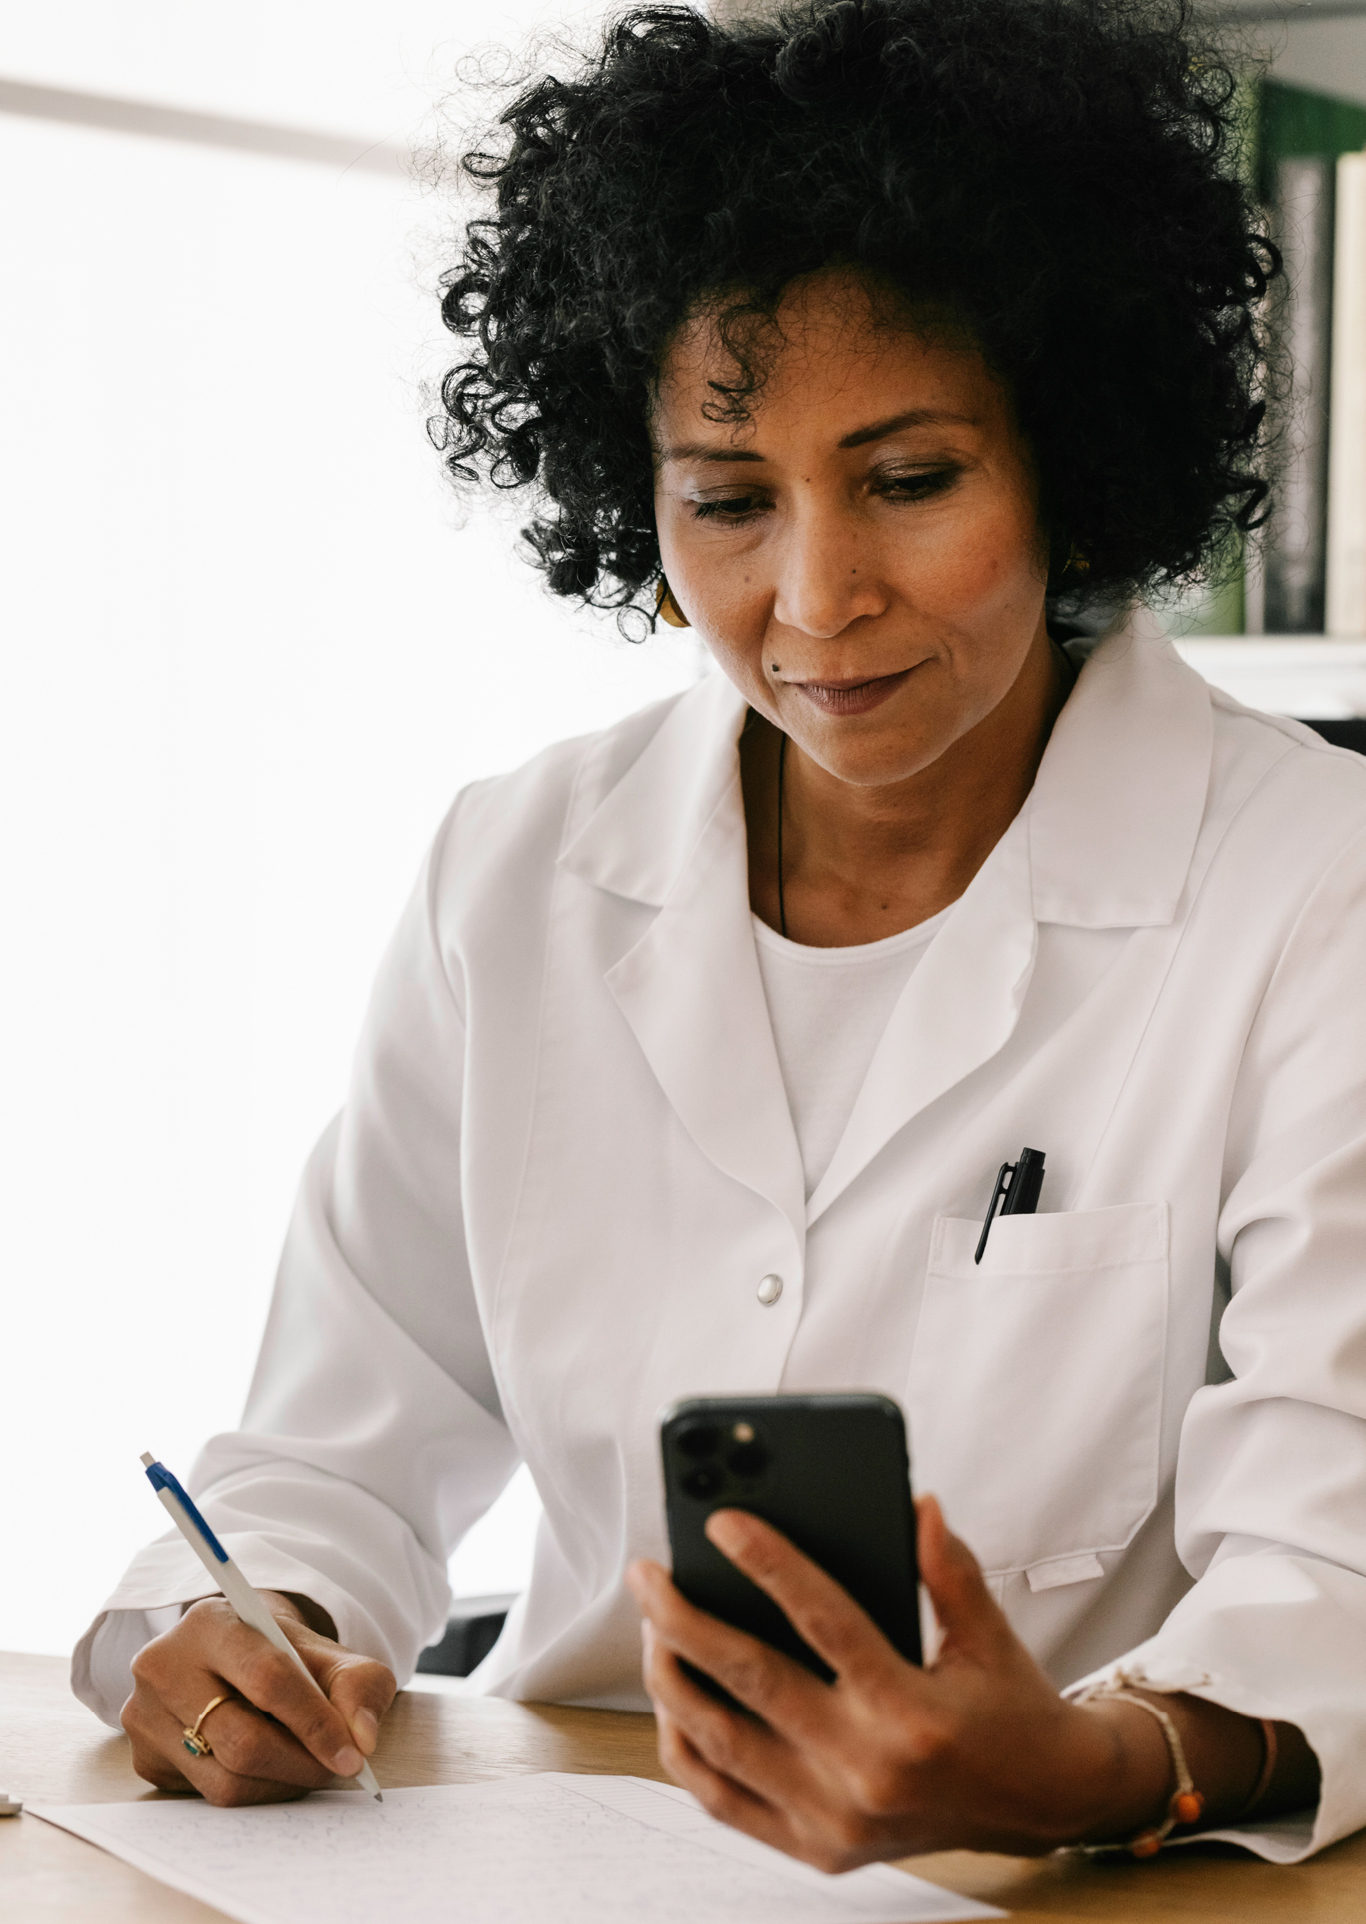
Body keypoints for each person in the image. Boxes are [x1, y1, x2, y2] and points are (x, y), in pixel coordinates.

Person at [74, 0, 1366, 1868]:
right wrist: (253, 1623)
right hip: (550, 1856)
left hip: (1072, 1887)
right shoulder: (514, 869)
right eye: (728, 502)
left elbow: (1341, 1557)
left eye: (911, 481)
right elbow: (337, 1451)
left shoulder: (1313, 886)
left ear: (1071, 460)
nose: (813, 599)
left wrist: (1095, 1767)